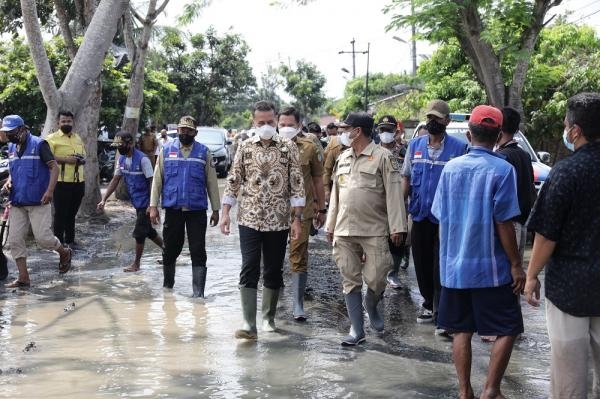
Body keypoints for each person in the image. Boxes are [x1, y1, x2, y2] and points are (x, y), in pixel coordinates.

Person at [431, 105, 525, 399]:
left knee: (461, 331)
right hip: (491, 270)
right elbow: (504, 222)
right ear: (498, 136)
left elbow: (438, 215)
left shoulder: (450, 169)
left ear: (469, 134)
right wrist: (516, 265)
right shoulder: (503, 169)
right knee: (509, 327)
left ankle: (464, 391)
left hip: (454, 269)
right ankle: (491, 389)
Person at [525, 92, 600, 399]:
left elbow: (546, 234)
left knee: (569, 380)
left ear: (575, 130)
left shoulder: (566, 172)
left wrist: (531, 276)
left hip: (570, 289)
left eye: (566, 124)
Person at [220, 100, 305, 340]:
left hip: (278, 220)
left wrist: (297, 219)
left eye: (270, 122)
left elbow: (297, 185)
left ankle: (268, 319)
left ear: (276, 120)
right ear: (253, 122)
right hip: (248, 218)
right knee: (249, 267)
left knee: (273, 269)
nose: (266, 126)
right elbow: (234, 180)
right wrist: (225, 213)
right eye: (261, 122)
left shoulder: (288, 148)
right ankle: (249, 323)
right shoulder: (245, 147)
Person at [325, 112, 407, 346]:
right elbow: (336, 196)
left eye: (345, 129)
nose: (342, 133)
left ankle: (371, 305)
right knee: (349, 279)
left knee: (377, 277)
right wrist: (330, 225)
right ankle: (357, 330)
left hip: (374, 228)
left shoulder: (384, 157)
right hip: (344, 229)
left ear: (357, 131)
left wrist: (398, 227)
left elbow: (394, 194)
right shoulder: (342, 158)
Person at [401, 100, 468, 326]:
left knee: (442, 264)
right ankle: (428, 303)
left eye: (437, 119)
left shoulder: (459, 149)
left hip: (445, 219)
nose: (432, 122)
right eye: (430, 118)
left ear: (447, 121)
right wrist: (401, 208)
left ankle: (442, 310)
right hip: (420, 215)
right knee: (420, 262)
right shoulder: (415, 145)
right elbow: (406, 178)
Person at [148, 115, 220, 298]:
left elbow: (212, 182)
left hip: (197, 210)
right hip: (173, 209)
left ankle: (198, 294)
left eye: (189, 130)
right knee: (171, 248)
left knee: (198, 250)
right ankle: (168, 288)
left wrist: (216, 209)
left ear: (195, 132)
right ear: (178, 131)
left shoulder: (204, 152)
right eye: (182, 130)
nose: (185, 133)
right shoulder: (166, 150)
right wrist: (153, 206)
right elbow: (157, 180)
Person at [1, 115, 73, 288]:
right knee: (15, 240)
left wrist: (50, 191)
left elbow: (54, 167)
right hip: (18, 201)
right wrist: (10, 181)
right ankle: (23, 278)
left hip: (39, 200)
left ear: (22, 129)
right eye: (6, 132)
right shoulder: (11, 147)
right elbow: (14, 169)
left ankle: (64, 252)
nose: (9, 135)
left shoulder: (39, 144)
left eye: (12, 132)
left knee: (43, 239)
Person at [277, 107, 326, 321]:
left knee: (298, 256)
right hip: (274, 213)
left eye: (290, 125)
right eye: (282, 124)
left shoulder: (309, 147)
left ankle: (297, 304)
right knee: (273, 257)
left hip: (302, 212)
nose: (286, 128)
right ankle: (274, 298)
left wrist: (321, 207)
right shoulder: (270, 146)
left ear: (299, 125)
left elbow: (318, 179)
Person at [97, 132, 164, 272]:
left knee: (139, 233)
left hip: (146, 203)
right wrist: (104, 199)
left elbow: (152, 182)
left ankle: (136, 265)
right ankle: (170, 252)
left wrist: (153, 206)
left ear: (130, 144)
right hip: (136, 201)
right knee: (149, 231)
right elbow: (115, 180)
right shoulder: (121, 160)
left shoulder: (143, 159)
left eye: (121, 145)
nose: (119, 148)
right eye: (117, 146)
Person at [495, 107, 536, 261]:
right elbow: (530, 189)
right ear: (517, 129)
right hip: (522, 222)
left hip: (507, 226)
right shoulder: (524, 155)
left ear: (498, 126)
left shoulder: (500, 158)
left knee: (507, 271)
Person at [377, 115, 409, 289]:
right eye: (382, 130)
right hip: (378, 203)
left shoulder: (404, 152)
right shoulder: (372, 151)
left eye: (388, 130)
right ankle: (379, 272)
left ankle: (393, 273)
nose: (385, 133)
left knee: (398, 239)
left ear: (396, 131)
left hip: (400, 202)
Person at [46, 110, 86, 248]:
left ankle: (70, 241)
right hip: (60, 182)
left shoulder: (77, 138)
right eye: (63, 121)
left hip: (78, 181)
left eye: (69, 121)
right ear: (58, 122)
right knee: (60, 215)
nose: (66, 123)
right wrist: (66, 159)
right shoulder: (51, 139)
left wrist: (81, 160)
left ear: (73, 122)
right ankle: (59, 244)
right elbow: (47, 158)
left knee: (72, 214)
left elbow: (83, 155)